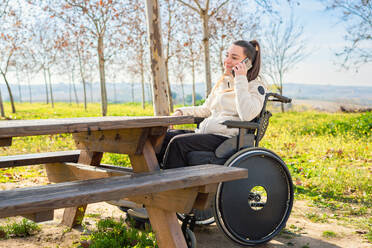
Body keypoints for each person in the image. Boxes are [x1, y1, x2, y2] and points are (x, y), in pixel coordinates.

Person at [126, 39, 267, 219]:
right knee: (163, 137)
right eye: (227, 55)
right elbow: (206, 109)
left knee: (178, 144)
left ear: (247, 63)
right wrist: (180, 112)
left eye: (234, 57)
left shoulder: (256, 86)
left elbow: (247, 114)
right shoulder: (224, 82)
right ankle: (148, 196)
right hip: (207, 132)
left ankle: (165, 204)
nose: (227, 60)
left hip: (227, 138)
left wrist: (241, 79)